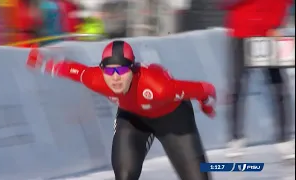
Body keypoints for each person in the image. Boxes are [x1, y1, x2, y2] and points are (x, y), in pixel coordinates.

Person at [26, 40, 216, 180]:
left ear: (132, 70)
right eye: (109, 71)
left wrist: (206, 104)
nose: (115, 78)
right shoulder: (95, 79)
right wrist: (41, 62)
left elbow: (205, 88)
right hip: (133, 119)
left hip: (173, 119)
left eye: (121, 71)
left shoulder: (159, 87)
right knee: (124, 175)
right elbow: (71, 69)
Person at [222, 0, 295, 159]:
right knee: (237, 86)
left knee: (279, 87)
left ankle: (284, 138)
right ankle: (235, 138)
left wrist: (277, 24)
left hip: (269, 32)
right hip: (241, 33)